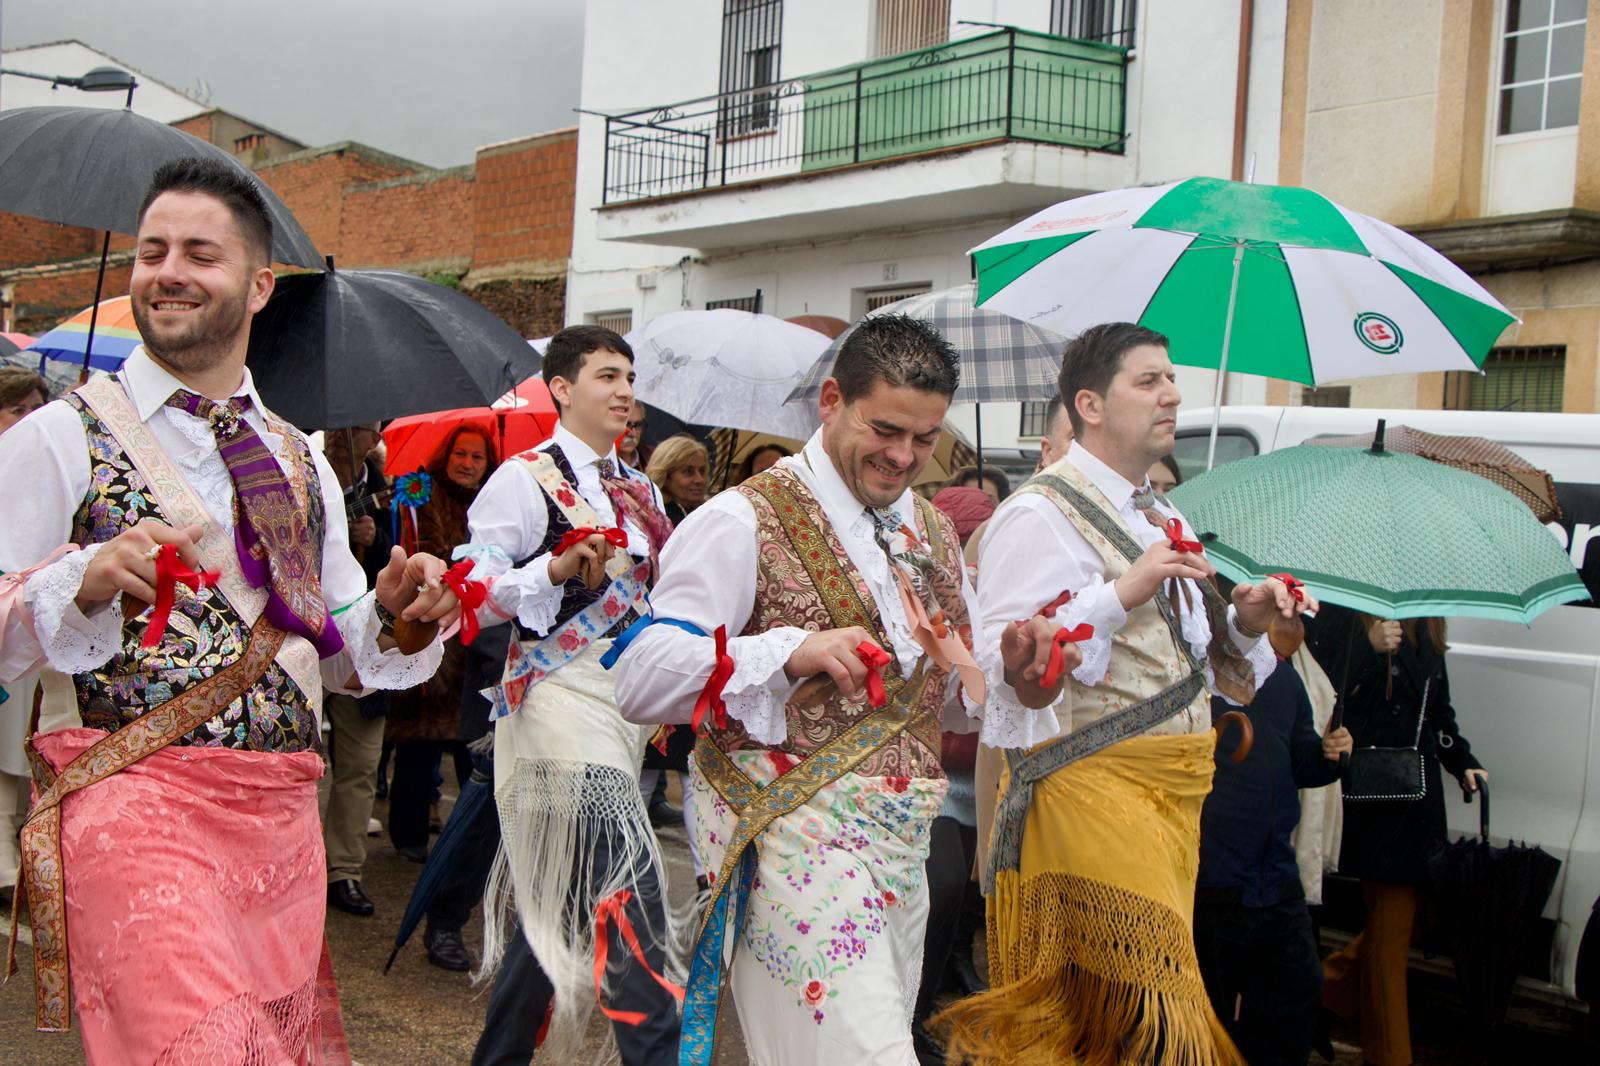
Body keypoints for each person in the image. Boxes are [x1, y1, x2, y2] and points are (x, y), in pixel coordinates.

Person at [0, 157, 459, 1064]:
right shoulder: (62, 434)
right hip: (137, 806)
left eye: (198, 254)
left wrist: (399, 618)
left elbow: (330, 650)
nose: (167, 270)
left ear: (257, 286)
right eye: (152, 251)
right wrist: (81, 577)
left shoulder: (300, 458)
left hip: (280, 823)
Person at [614, 313, 999, 1066]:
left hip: (901, 851)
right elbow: (640, 674)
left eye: (924, 438)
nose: (904, 456)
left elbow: (947, 699)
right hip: (790, 840)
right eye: (886, 428)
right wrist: (787, 653)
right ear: (831, 401)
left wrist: (1006, 667)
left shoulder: (932, 530)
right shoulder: (741, 518)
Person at [935, 322, 1309, 1065]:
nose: (1172, 393)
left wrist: (1244, 622)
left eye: (1172, 378)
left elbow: (1197, 672)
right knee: (1145, 1023)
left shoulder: (1166, 514)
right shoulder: (1036, 513)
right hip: (1086, 797)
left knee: (1102, 1038)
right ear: (1091, 405)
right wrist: (1119, 593)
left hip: (1172, 804)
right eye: (1149, 380)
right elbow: (995, 672)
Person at [458, 324, 679, 1066]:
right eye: (606, 377)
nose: (623, 392)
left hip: (625, 709)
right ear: (560, 388)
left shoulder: (644, 491)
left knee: (556, 905)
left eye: (629, 378)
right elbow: (478, 591)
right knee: (631, 882)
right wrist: (549, 576)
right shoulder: (524, 478)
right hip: (553, 699)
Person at [1308, 605, 1487, 1066]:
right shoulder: (1350, 617)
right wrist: (1368, 650)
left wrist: (1462, 761)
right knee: (1390, 937)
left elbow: (1438, 714)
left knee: (1406, 922)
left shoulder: (1429, 624)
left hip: (1420, 800)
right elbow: (1325, 695)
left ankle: (1318, 990)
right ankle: (1389, 1056)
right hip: (1376, 800)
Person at [1194, 643, 1352, 1066]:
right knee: (1207, 1022)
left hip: (1277, 879)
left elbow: (1300, 762)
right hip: (1213, 881)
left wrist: (1331, 756)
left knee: (1297, 996)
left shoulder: (1284, 680)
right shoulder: (1196, 673)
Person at [386, 426, 498, 865]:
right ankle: (408, 833)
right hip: (432, 627)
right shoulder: (422, 495)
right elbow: (422, 552)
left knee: (470, 744)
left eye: (477, 457)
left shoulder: (493, 503)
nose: (468, 464)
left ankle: (462, 843)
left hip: (477, 636)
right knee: (419, 740)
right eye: (461, 454)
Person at [321, 421, 397, 917]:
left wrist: (373, 535)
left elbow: (397, 560)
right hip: (299, 635)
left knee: (360, 763)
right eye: (341, 424)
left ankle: (343, 870)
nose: (346, 434)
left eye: (362, 426)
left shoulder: (381, 490)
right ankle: (296, 862)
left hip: (360, 641)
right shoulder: (295, 464)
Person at [0, 366, 50, 907]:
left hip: (39, 619)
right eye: (20, 410)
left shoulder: (44, 470)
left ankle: (22, 839)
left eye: (39, 409)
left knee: (30, 732)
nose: (31, 421)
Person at [646, 433, 709, 526]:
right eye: (688, 471)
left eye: (702, 471)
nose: (700, 480)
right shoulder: (653, 516)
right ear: (665, 476)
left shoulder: (709, 512)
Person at [619, 400, 651, 469]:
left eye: (638, 425)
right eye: (626, 424)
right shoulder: (595, 461)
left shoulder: (652, 460)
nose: (633, 434)